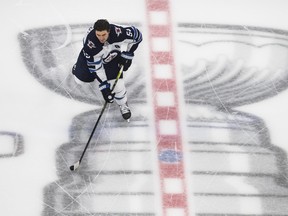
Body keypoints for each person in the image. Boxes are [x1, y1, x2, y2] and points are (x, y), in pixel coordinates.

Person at [72, 19, 142, 121]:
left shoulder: (119, 33)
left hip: (111, 56)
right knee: (80, 80)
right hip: (92, 58)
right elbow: (97, 68)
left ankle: (123, 104)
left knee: (117, 86)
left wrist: (128, 54)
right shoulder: (90, 44)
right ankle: (78, 66)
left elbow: (138, 36)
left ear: (109, 31)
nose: (101, 38)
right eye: (98, 35)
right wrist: (104, 87)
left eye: (103, 34)